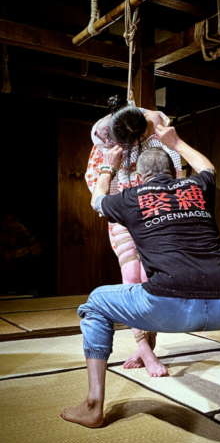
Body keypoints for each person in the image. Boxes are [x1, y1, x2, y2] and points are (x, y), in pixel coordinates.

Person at [61, 125, 220, 428]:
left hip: (168, 307)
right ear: (176, 174)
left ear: (138, 178)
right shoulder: (197, 187)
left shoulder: (131, 197)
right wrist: (175, 142)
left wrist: (108, 167)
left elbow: (97, 201)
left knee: (96, 302)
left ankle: (93, 405)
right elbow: (207, 167)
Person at [85, 96, 182, 376]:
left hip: (151, 212)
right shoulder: (102, 139)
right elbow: (97, 189)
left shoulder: (149, 127)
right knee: (131, 278)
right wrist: (111, 168)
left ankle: (148, 343)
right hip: (120, 212)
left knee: (151, 279)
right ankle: (146, 352)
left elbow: (170, 166)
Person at [0, 212, 42, 295]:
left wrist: (25, 230)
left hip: (17, 272)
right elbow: (5, 255)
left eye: (11, 220)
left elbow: (37, 247)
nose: (8, 223)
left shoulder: (18, 233)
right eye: (5, 220)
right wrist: (28, 249)